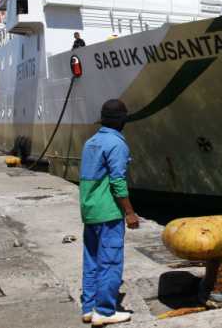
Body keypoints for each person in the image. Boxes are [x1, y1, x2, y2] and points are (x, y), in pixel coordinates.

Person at [79, 99, 140, 325]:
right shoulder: (117, 144)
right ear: (122, 120)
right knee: (111, 261)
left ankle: (88, 307)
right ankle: (104, 312)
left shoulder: (91, 142)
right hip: (108, 211)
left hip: (90, 209)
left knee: (91, 260)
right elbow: (117, 182)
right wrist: (130, 212)